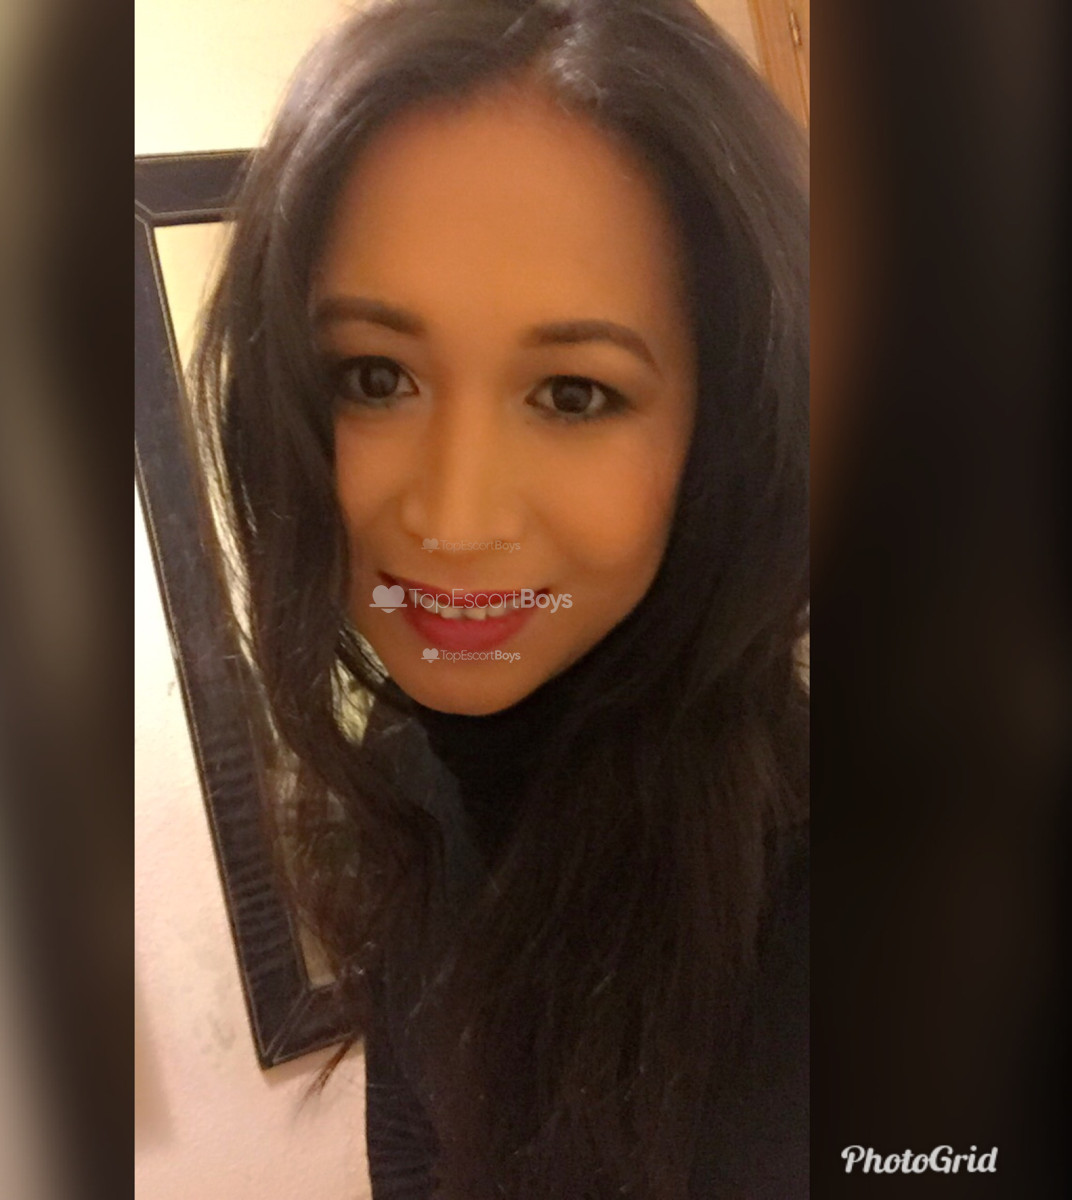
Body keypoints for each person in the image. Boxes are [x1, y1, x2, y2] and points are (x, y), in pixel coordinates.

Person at [191, 1, 808, 1196]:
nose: (454, 517)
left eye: (573, 394)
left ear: (725, 430)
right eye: (377, 377)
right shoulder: (413, 782)